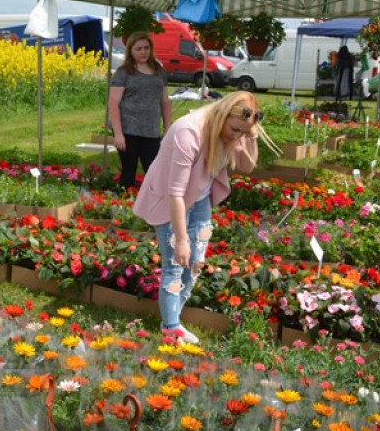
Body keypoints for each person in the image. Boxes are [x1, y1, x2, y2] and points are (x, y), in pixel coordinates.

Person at [133, 91, 266, 342]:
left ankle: (174, 318)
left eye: (242, 133)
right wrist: (181, 240)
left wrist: (252, 134)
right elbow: (175, 193)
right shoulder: (188, 133)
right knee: (174, 264)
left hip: (200, 199)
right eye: (235, 130)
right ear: (224, 115)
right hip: (172, 202)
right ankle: (171, 327)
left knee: (195, 263)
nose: (237, 137)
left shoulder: (234, 130)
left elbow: (247, 166)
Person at [108, 31, 172, 190]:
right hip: (128, 130)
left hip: (151, 131)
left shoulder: (159, 71)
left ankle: (152, 203)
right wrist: (118, 134)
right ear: (130, 50)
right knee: (129, 171)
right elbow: (113, 103)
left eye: (146, 48)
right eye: (138, 49)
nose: (143, 52)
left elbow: (165, 101)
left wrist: (168, 129)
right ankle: (123, 201)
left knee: (154, 172)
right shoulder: (123, 72)